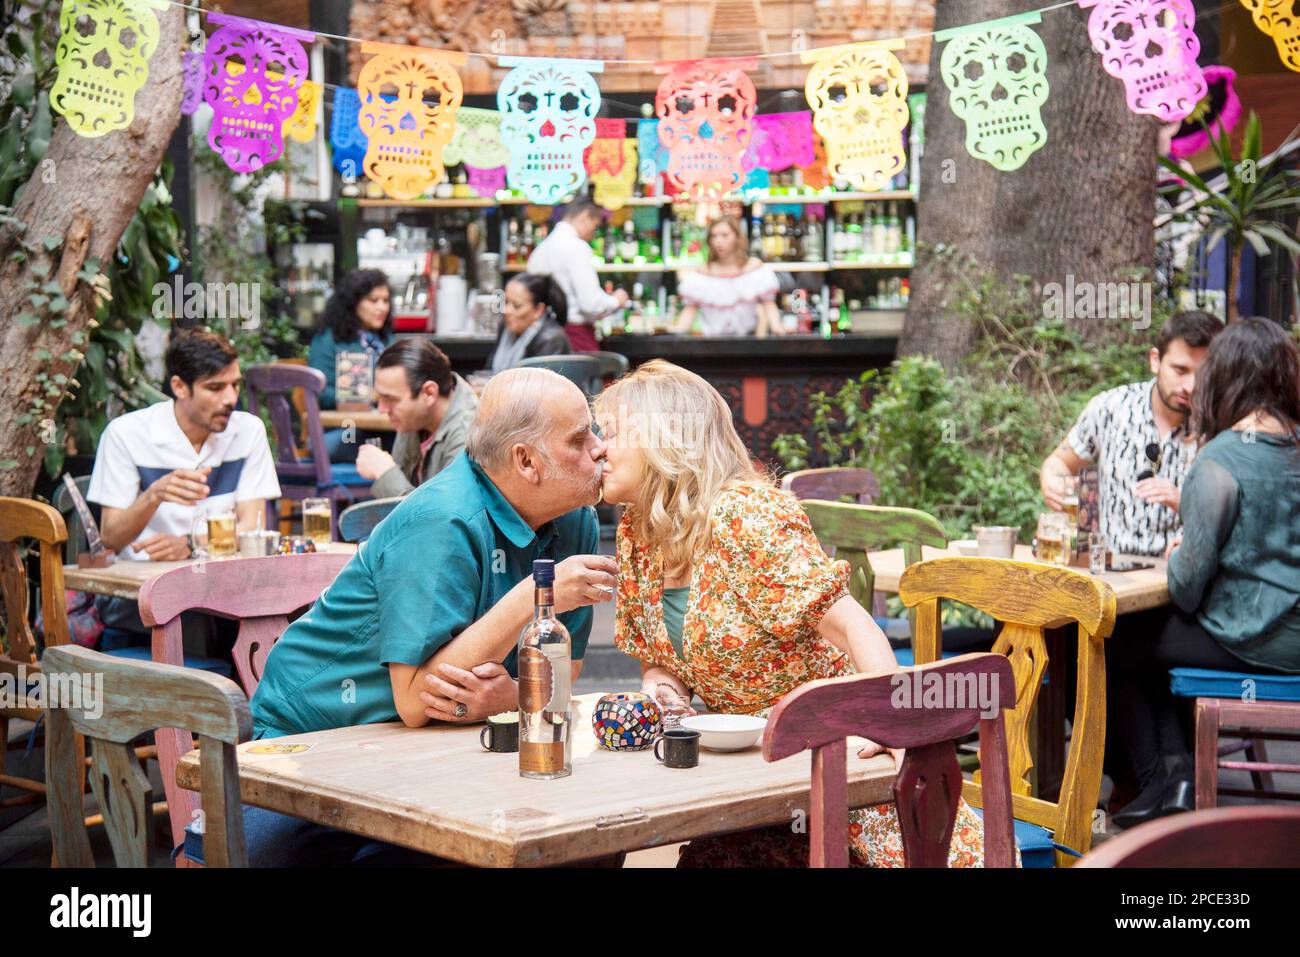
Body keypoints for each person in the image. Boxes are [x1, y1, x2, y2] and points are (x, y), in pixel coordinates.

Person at [594, 360, 996, 867]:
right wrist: (666, 694)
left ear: (665, 440)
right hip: (758, 782)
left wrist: (888, 725)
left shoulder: (746, 516)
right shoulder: (638, 533)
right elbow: (660, 659)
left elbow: (853, 625)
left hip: (843, 774)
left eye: (609, 433)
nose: (597, 449)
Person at [243, 368, 617, 866]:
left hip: (440, 745)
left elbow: (561, 677)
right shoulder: (442, 518)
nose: (601, 448)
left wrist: (512, 695)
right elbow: (418, 699)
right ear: (525, 461)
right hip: (314, 740)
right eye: (580, 437)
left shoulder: (575, 520)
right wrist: (535, 594)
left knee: (591, 838)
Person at [1107, 318, 1300, 829]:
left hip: (1256, 643)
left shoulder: (1219, 461)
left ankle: (1159, 786)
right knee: (1160, 647)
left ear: (1226, 377)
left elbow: (1187, 592)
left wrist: (1181, 555)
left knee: (1118, 640)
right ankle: (1180, 781)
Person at [86, 330, 280, 638]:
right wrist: (155, 494)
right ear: (179, 387)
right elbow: (110, 537)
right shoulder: (127, 434)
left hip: (221, 587)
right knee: (205, 621)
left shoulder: (248, 430)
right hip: (138, 590)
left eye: (235, 385)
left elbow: (252, 525)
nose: (230, 398)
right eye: (215, 388)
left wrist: (191, 545)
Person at [1039, 310, 1222, 557]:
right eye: (1180, 370)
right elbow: (1059, 462)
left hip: (1182, 582)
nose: (1189, 386)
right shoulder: (1111, 408)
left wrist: (1185, 502)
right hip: (1112, 576)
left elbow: (1234, 519)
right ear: (1155, 360)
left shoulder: (1219, 427)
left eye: (1201, 375)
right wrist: (1054, 483)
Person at [355, 339, 479, 497]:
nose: (382, 409)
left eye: (390, 399)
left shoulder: (468, 436)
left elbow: (441, 519)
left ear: (429, 394)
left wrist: (385, 473)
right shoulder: (414, 419)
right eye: (379, 398)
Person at [308, 269, 393, 461]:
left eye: (386, 300)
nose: (382, 307)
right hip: (343, 429)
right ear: (353, 303)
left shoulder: (387, 340)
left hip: (385, 429)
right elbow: (317, 391)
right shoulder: (329, 340)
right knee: (377, 447)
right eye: (373, 300)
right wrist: (360, 397)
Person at [526, 198, 627, 351]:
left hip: (542, 334)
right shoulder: (577, 247)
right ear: (585, 216)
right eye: (596, 226)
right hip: (575, 336)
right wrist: (616, 301)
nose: (594, 233)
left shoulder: (540, 250)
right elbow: (591, 304)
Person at [673, 216, 784, 337]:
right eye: (714, 236)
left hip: (748, 345)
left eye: (724, 235)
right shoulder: (700, 274)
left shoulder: (755, 269)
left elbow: (769, 304)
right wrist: (677, 334)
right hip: (710, 347)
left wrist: (777, 327)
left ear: (737, 237)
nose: (718, 241)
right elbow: (689, 310)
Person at [488, 273, 572, 374]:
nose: (507, 310)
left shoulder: (551, 339)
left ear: (538, 310)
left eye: (517, 306)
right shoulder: (506, 327)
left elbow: (542, 386)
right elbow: (488, 369)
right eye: (506, 302)